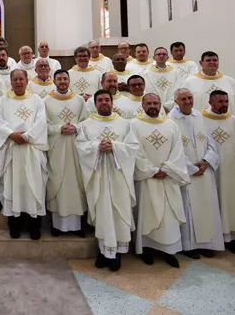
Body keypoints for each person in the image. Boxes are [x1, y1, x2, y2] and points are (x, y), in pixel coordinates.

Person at [76, 90, 141, 271]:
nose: (104, 103)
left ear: (112, 102)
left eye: (107, 100)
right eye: (100, 100)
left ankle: (117, 252)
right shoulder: (86, 125)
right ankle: (103, 250)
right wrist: (97, 146)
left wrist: (114, 146)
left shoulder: (125, 124)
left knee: (119, 211)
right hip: (98, 177)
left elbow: (133, 146)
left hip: (119, 177)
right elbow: (80, 146)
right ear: (95, 104)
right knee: (102, 211)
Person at [131, 93, 189, 268]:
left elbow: (178, 150)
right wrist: (152, 170)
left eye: (155, 103)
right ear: (142, 105)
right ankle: (146, 249)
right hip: (147, 178)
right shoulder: (133, 125)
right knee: (147, 213)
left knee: (168, 216)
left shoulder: (171, 125)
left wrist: (168, 169)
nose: (152, 106)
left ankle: (169, 251)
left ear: (161, 104)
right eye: (149, 103)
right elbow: (135, 150)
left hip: (168, 177)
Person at [169, 88, 225, 258]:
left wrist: (207, 161)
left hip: (204, 171)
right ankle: (190, 246)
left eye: (190, 98)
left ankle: (207, 243)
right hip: (187, 173)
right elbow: (174, 149)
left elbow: (210, 142)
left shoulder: (199, 116)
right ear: (176, 101)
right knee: (189, 209)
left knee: (207, 206)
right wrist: (191, 168)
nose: (187, 101)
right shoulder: (171, 120)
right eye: (183, 99)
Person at [0, 69, 48, 239]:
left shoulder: (37, 100)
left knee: (34, 187)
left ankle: (34, 226)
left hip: (31, 150)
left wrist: (26, 136)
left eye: (21, 79)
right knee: (13, 186)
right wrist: (12, 135)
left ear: (27, 80)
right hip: (12, 150)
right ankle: (14, 224)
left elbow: (41, 122)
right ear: (11, 81)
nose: (18, 82)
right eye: (15, 79)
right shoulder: (3, 101)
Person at [200, 90, 235, 253]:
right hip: (210, 169)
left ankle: (229, 237)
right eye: (220, 102)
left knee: (229, 201)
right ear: (210, 102)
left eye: (226, 101)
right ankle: (209, 239)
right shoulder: (200, 120)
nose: (224, 105)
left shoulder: (234, 121)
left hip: (231, 169)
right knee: (209, 202)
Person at [43, 69, 89, 237]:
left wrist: (75, 127)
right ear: (54, 81)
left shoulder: (79, 100)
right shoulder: (46, 101)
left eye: (65, 78)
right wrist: (59, 128)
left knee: (77, 184)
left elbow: (86, 122)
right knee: (57, 183)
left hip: (76, 149)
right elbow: (44, 125)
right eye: (59, 79)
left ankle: (77, 226)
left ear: (69, 81)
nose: (62, 81)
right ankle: (57, 226)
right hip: (57, 148)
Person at [180, 51, 235, 132]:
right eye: (208, 60)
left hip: (229, 128)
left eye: (215, 60)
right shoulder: (189, 82)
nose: (212, 62)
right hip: (202, 129)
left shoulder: (230, 82)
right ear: (201, 63)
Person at [144, 47, 182, 113]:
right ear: (154, 57)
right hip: (152, 108)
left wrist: (168, 106)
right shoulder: (146, 74)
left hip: (171, 109)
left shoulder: (176, 73)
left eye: (164, 54)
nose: (161, 56)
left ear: (167, 57)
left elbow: (177, 91)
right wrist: (156, 105)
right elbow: (146, 90)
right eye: (159, 54)